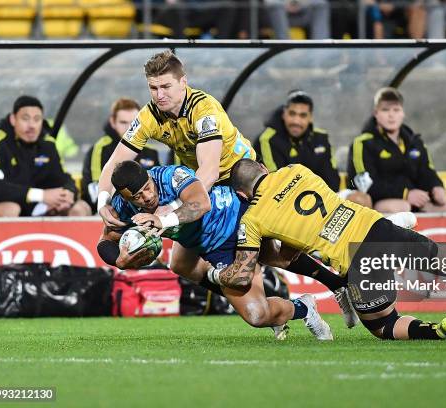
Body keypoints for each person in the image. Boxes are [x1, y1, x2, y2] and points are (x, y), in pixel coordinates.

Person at [95, 50, 360, 327]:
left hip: (242, 182)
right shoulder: (149, 115)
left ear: (183, 82)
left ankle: (337, 282)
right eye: (153, 87)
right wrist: (102, 202)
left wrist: (170, 210)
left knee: (273, 253)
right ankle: (320, 289)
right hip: (201, 186)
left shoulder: (204, 109)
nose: (159, 94)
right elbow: (114, 163)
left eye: (165, 86)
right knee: (181, 265)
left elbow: (208, 172)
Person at [205, 159, 446, 342]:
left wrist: (211, 272)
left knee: (383, 325)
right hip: (376, 226)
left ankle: (441, 331)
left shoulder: (252, 218)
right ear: (265, 169)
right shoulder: (296, 169)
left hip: (357, 259)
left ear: (240, 194)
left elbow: (243, 270)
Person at [99, 160, 333, 340]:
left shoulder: (172, 176)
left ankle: (338, 281)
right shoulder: (121, 208)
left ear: (150, 176)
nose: (147, 197)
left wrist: (163, 221)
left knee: (280, 254)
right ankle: (304, 306)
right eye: (138, 197)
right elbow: (105, 241)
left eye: (148, 188)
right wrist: (119, 260)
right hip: (214, 247)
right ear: (124, 197)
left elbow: (201, 204)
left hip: (237, 216)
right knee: (257, 315)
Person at [348, 87, 446, 214]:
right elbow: (363, 184)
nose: (391, 115)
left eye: (396, 110)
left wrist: (437, 187)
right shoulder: (363, 143)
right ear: (376, 113)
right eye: (385, 110)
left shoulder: (415, 142)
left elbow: (427, 171)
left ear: (403, 113)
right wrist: (405, 194)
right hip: (381, 202)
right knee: (401, 208)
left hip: (416, 201)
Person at [254, 90, 371, 207]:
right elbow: (278, 184)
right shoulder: (267, 139)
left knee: (362, 199)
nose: (296, 121)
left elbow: (333, 181)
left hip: (324, 196)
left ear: (310, 118)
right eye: (292, 114)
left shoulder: (321, 137)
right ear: (284, 114)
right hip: (287, 202)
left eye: (303, 115)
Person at [0, 96, 91, 217]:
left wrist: (67, 193)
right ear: (13, 119)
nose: (32, 125)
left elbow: (63, 178)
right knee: (11, 209)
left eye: (37, 119)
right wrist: (41, 195)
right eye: (25, 119)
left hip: (39, 207)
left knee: (81, 208)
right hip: (12, 205)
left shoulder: (47, 143)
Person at [81, 98, 160, 214]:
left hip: (147, 206)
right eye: (123, 122)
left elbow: (158, 185)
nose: (129, 128)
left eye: (133, 123)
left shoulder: (151, 152)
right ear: (113, 122)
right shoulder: (99, 148)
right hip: (110, 209)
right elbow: (93, 188)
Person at [264, 0, 331, 39]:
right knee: (275, 6)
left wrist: (300, 5)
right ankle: (283, 45)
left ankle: (320, 46)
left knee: (321, 4)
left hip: (304, 10)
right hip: (280, 13)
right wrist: (286, 4)